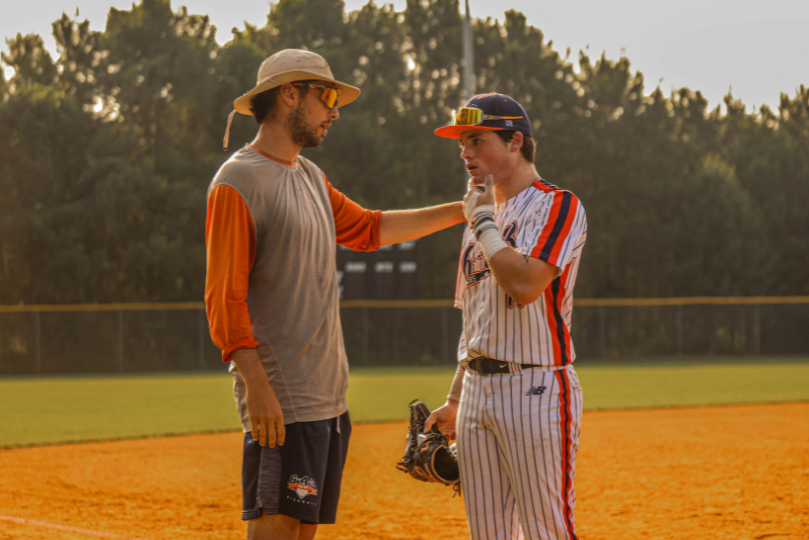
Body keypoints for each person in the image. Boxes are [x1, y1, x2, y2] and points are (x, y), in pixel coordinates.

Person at [205, 49, 464, 540]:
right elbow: (223, 297)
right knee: (274, 532)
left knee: (303, 534)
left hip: (327, 398)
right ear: (288, 95)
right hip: (283, 402)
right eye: (326, 96)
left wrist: (463, 210)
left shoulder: (308, 176)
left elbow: (368, 228)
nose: (335, 110)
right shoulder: (237, 182)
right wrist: (256, 386)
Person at [424, 93, 587, 540]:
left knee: (545, 530)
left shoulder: (558, 205)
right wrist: (457, 397)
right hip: (477, 391)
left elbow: (526, 285)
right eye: (462, 142)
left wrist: (484, 225)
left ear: (516, 140)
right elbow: (474, 319)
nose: (465, 152)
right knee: (489, 533)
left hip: (535, 387)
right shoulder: (479, 218)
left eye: (476, 139)